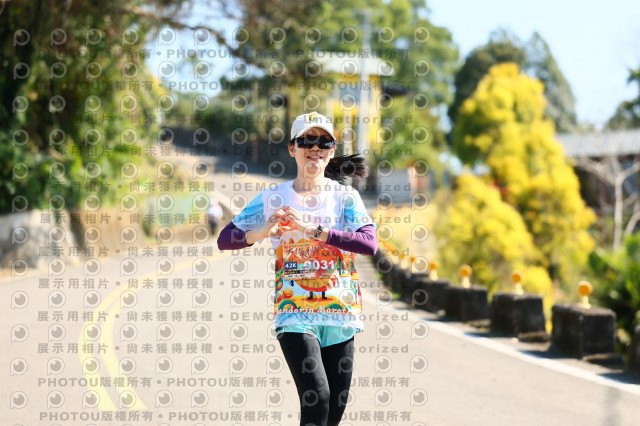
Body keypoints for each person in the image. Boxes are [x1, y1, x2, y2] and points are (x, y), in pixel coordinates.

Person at [217, 111, 378, 426]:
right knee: (318, 397)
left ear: (332, 150)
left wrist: (314, 229)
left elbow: (369, 243)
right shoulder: (273, 198)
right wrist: (263, 231)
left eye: (324, 142)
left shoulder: (345, 197)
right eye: (306, 140)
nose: (315, 148)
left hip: (340, 312)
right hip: (294, 312)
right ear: (292, 148)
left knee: (333, 413)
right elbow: (225, 239)